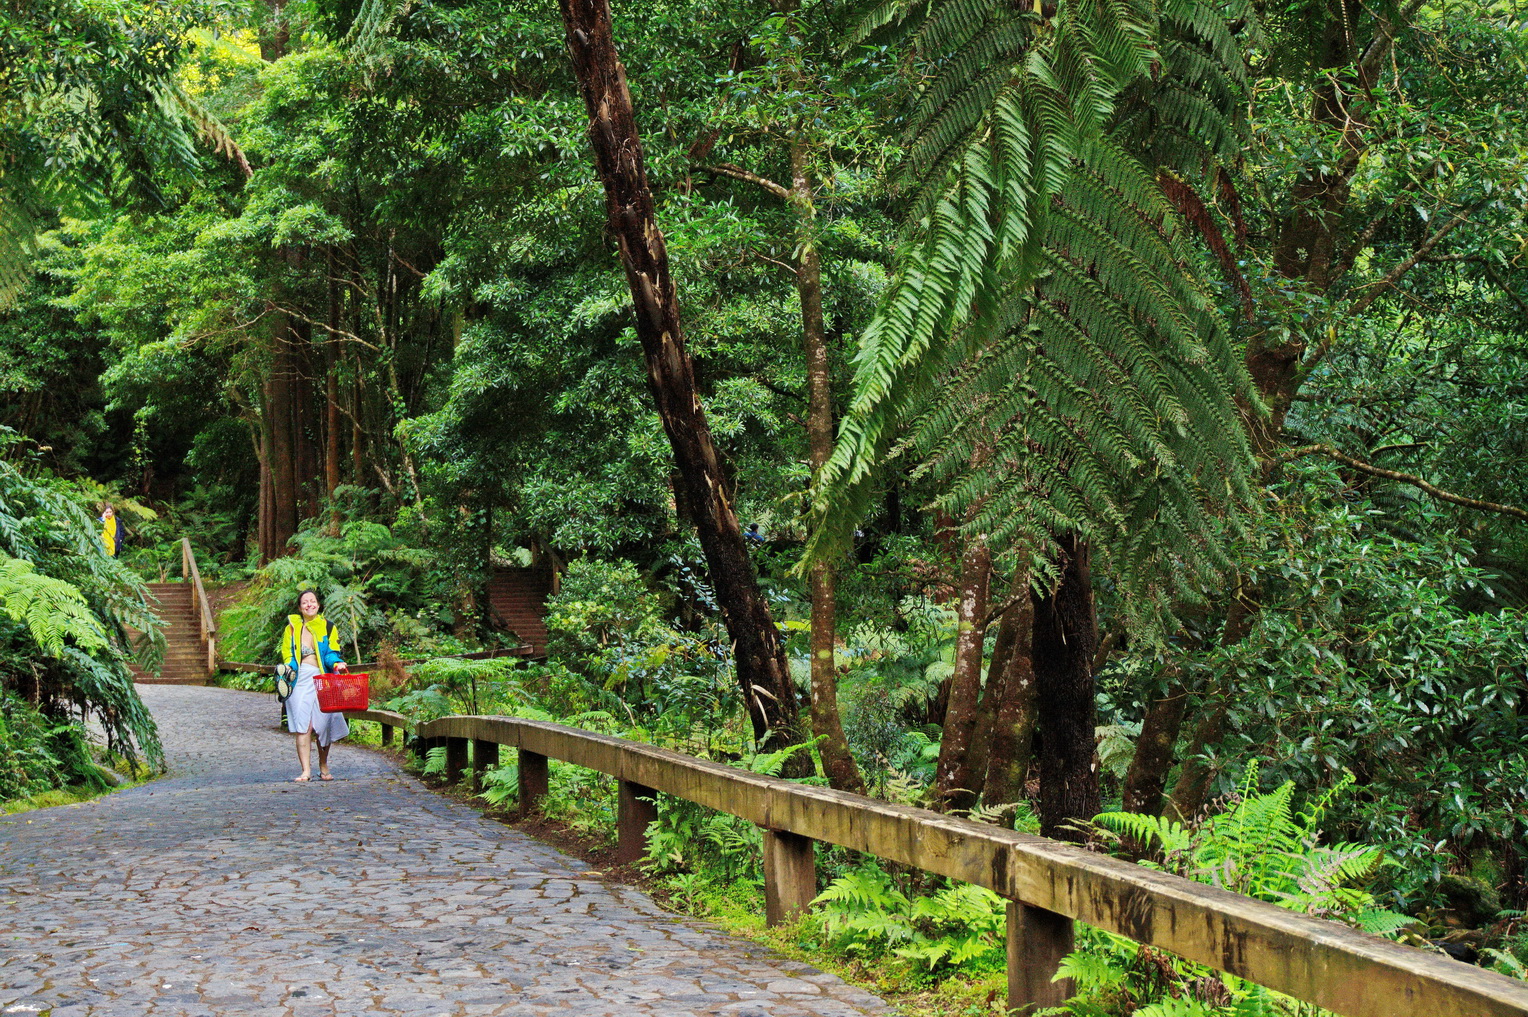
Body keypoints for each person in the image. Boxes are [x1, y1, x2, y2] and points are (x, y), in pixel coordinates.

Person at [279, 590, 350, 782]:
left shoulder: (327, 627)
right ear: (300, 607)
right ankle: (305, 771)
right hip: (299, 680)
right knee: (304, 726)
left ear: (318, 605)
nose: (309, 604)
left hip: (322, 679)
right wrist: (288, 669)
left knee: (323, 724)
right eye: (305, 602)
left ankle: (323, 765)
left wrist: (337, 664)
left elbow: (331, 652)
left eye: (312, 601)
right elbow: (288, 654)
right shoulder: (292, 629)